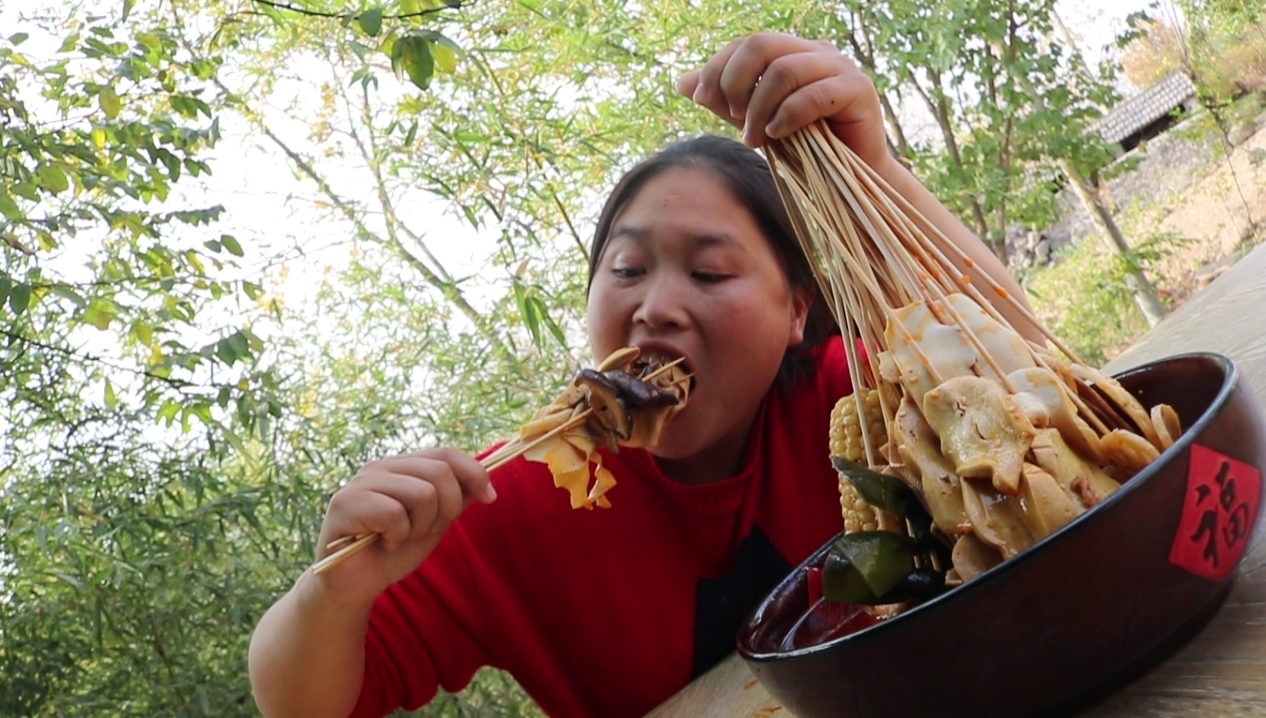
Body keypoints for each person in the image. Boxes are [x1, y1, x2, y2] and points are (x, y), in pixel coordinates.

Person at [248, 32, 1033, 718]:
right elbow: (306, 702)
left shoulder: (851, 404)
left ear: (797, 310)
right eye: (626, 268)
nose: (657, 305)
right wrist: (333, 592)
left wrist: (869, 167)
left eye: (711, 273)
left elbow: (1036, 382)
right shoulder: (513, 499)